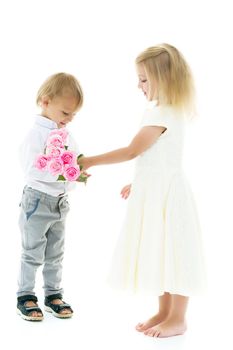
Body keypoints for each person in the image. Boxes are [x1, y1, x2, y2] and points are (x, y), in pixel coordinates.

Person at [79, 44, 206, 337]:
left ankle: (178, 317)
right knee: (160, 249)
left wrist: (90, 161)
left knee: (175, 251)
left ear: (165, 78)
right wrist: (139, 182)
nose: (139, 85)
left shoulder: (164, 113)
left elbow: (133, 151)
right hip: (157, 189)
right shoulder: (164, 112)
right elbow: (158, 156)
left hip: (168, 196)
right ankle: (164, 311)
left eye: (144, 79)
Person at [17, 72, 83, 321]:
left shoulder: (64, 133)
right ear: (45, 102)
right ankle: (25, 295)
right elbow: (30, 168)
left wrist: (76, 172)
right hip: (37, 201)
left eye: (74, 114)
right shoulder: (36, 134)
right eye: (65, 113)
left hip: (59, 203)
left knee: (56, 252)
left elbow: (74, 160)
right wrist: (60, 170)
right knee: (32, 251)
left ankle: (53, 294)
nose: (69, 119)